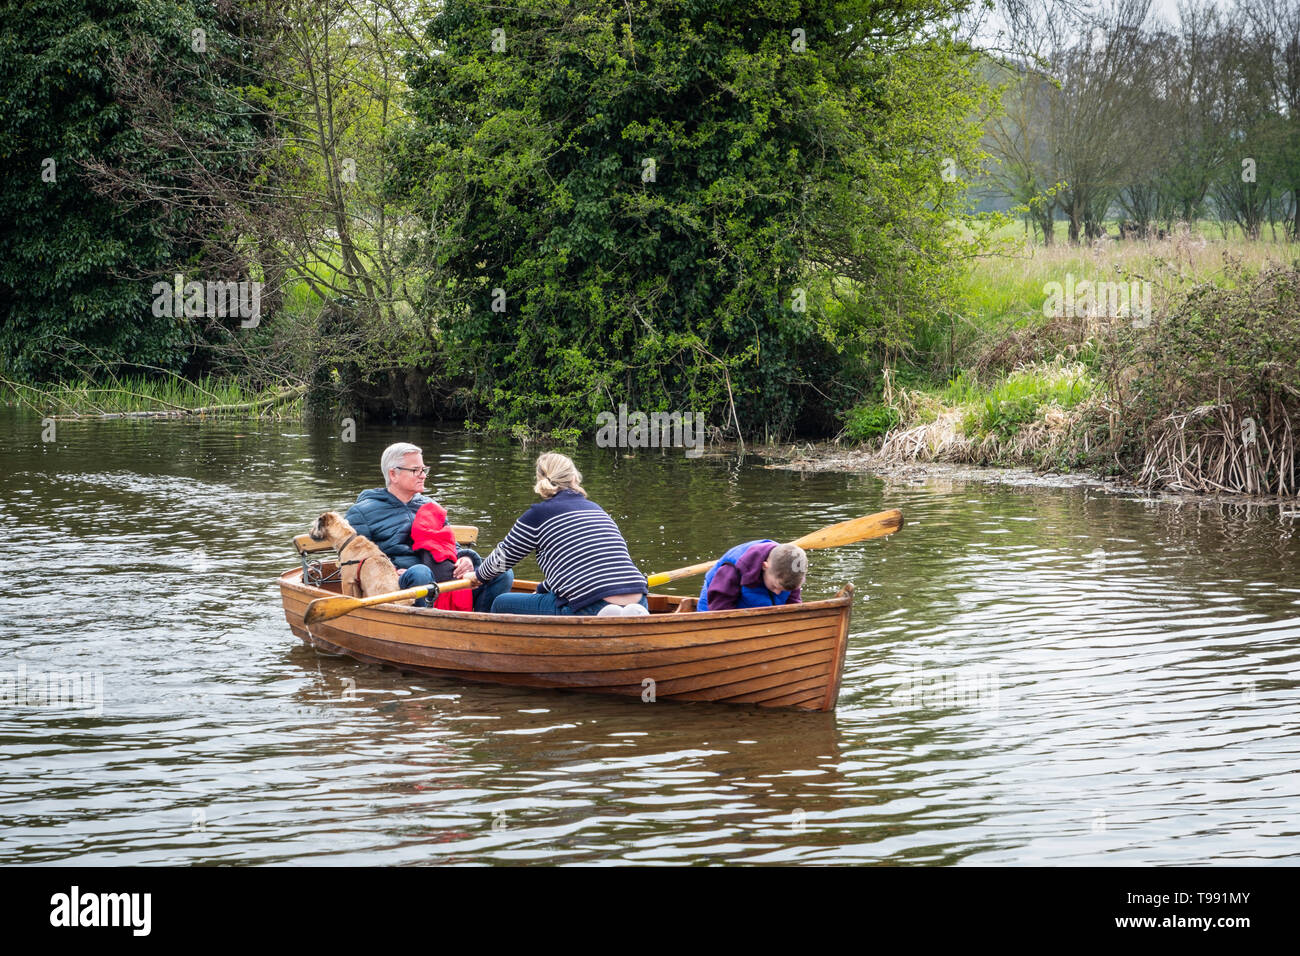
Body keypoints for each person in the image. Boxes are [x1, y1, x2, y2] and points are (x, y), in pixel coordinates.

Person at [461, 452, 649, 616]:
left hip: (589, 603)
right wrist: (542, 589)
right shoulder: (597, 510)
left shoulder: (538, 515)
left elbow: (502, 558)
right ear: (574, 478)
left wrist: (478, 576)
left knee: (501, 603)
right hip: (638, 595)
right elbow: (582, 565)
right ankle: (625, 615)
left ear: (540, 479)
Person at [344, 442, 513, 611]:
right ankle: (427, 630)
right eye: (415, 470)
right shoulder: (361, 513)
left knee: (501, 571)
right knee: (420, 572)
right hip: (400, 585)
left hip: (443, 577)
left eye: (424, 469)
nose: (423, 475)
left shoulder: (431, 506)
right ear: (393, 474)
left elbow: (450, 545)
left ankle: (476, 625)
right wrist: (391, 573)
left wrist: (467, 559)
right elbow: (356, 563)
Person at [696, 540, 807, 612]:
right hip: (714, 607)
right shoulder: (732, 570)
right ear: (764, 566)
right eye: (774, 586)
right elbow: (719, 611)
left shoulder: (792, 572)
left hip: (758, 607)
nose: (777, 592)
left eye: (783, 590)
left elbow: (793, 606)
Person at [411, 501, 474, 612]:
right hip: (415, 576)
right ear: (394, 481)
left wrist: (466, 557)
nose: (423, 481)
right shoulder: (370, 508)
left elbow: (454, 546)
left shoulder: (430, 505)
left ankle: (483, 621)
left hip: (453, 577)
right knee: (420, 573)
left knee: (502, 573)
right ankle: (423, 623)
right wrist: (393, 570)